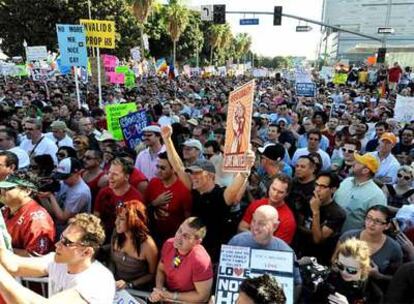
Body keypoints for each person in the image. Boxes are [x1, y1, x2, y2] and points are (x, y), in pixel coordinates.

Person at [161, 125, 255, 262]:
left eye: (197, 173)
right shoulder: (195, 190)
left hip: (213, 256)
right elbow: (179, 167)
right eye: (191, 173)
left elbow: (241, 177)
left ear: (210, 176)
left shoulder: (223, 195)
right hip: (192, 251)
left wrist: (247, 167)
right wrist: (167, 139)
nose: (193, 177)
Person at [0, 213, 115, 303]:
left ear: (86, 252)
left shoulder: (96, 281)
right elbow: (14, 266)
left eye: (67, 242)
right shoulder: (59, 261)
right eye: (61, 237)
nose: (57, 245)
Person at [230, 206, 302, 290]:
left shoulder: (286, 252)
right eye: (253, 221)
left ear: (275, 226)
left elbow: (297, 284)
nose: (255, 227)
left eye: (262, 223)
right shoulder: (237, 241)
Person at [148, 217, 213, 303]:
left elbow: (202, 296)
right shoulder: (169, 244)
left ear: (197, 242)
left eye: (186, 236)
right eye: (179, 230)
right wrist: (159, 290)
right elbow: (161, 269)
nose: (178, 237)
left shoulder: (200, 260)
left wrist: (171, 296)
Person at [339, 205, 403, 285]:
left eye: (378, 221)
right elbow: (333, 261)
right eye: (369, 218)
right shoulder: (348, 236)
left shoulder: (394, 248)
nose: (371, 224)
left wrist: (379, 276)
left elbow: (397, 278)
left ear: (387, 226)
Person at [310, 238, 382, 304]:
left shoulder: (373, 294)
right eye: (340, 266)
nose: (344, 272)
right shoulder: (328, 279)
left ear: (363, 269)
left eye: (351, 270)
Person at [295, 172, 346, 265]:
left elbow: (317, 239)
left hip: (319, 259)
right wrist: (315, 230)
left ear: (333, 189)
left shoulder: (337, 214)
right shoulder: (308, 201)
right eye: (316, 185)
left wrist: (315, 212)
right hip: (299, 251)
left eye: (323, 186)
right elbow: (298, 226)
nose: (317, 189)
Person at [0, 173, 55, 256]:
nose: (2, 191)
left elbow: (36, 255)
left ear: (27, 191)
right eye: (2, 188)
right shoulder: (5, 209)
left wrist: (3, 250)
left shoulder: (38, 220)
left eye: (9, 188)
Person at [145, 152, 192, 246]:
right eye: (157, 167)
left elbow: (188, 220)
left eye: (163, 168)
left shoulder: (183, 190)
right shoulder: (153, 183)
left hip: (174, 240)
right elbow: (143, 209)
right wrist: (155, 203)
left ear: (173, 169)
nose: (158, 171)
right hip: (154, 237)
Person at [110, 200, 158, 290]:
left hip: (137, 290)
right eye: (117, 217)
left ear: (134, 221)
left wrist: (130, 285)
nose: (116, 222)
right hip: (115, 285)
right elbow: (112, 261)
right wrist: (111, 278)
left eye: (121, 219)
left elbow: (152, 274)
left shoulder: (148, 245)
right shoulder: (116, 234)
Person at [95, 157, 144, 242]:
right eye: (109, 172)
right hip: (102, 238)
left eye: (115, 174)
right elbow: (96, 216)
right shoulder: (103, 192)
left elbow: (135, 230)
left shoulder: (135, 199)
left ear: (126, 177)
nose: (110, 177)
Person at [334, 153, 387, 232]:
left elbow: (376, 224)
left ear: (365, 170)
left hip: (352, 241)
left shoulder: (377, 195)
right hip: (330, 234)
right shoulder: (346, 181)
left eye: (358, 163)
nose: (354, 164)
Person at [239, 174, 297, 245]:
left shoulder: (288, 219)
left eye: (280, 192)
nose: (275, 194)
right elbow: (240, 228)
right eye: (273, 189)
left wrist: (255, 235)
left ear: (287, 194)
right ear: (269, 187)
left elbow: (280, 247)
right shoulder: (256, 204)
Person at [43, 157, 91, 236]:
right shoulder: (65, 183)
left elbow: (62, 217)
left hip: (71, 233)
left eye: (65, 177)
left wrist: (50, 196)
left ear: (77, 173)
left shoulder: (81, 192)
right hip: (58, 227)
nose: (62, 180)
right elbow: (53, 210)